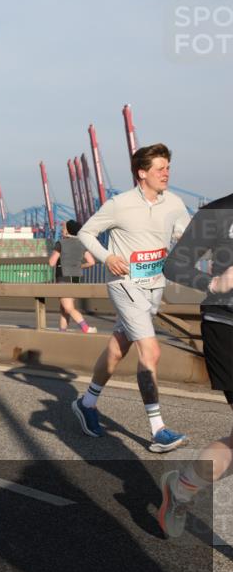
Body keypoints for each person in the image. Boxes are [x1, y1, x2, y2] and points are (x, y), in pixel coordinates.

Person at [74, 143, 191, 452]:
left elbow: (190, 235)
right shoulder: (120, 204)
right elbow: (86, 232)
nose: (166, 173)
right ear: (142, 173)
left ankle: (87, 403)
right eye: (160, 169)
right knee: (150, 351)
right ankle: (158, 429)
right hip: (125, 285)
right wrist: (107, 257)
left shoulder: (175, 203)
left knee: (117, 349)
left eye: (168, 168)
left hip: (154, 286)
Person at [157, 192, 233, 537]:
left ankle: (182, 487)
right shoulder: (220, 212)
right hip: (227, 326)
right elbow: (175, 265)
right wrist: (213, 283)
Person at [47, 219, 98, 333]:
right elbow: (91, 262)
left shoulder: (61, 243)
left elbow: (51, 263)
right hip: (76, 278)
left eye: (64, 228)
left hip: (63, 278)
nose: (62, 230)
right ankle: (62, 332)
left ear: (67, 231)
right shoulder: (81, 244)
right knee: (64, 309)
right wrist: (79, 266)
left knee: (68, 308)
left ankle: (86, 328)